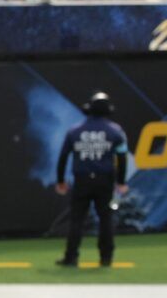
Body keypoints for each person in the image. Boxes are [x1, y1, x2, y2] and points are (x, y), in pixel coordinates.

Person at [55, 92, 129, 269]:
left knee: (77, 220)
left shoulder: (74, 131)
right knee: (105, 219)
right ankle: (106, 258)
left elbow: (63, 157)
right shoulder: (116, 131)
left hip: (82, 181)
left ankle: (71, 257)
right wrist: (121, 182)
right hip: (105, 181)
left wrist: (60, 181)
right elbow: (122, 157)